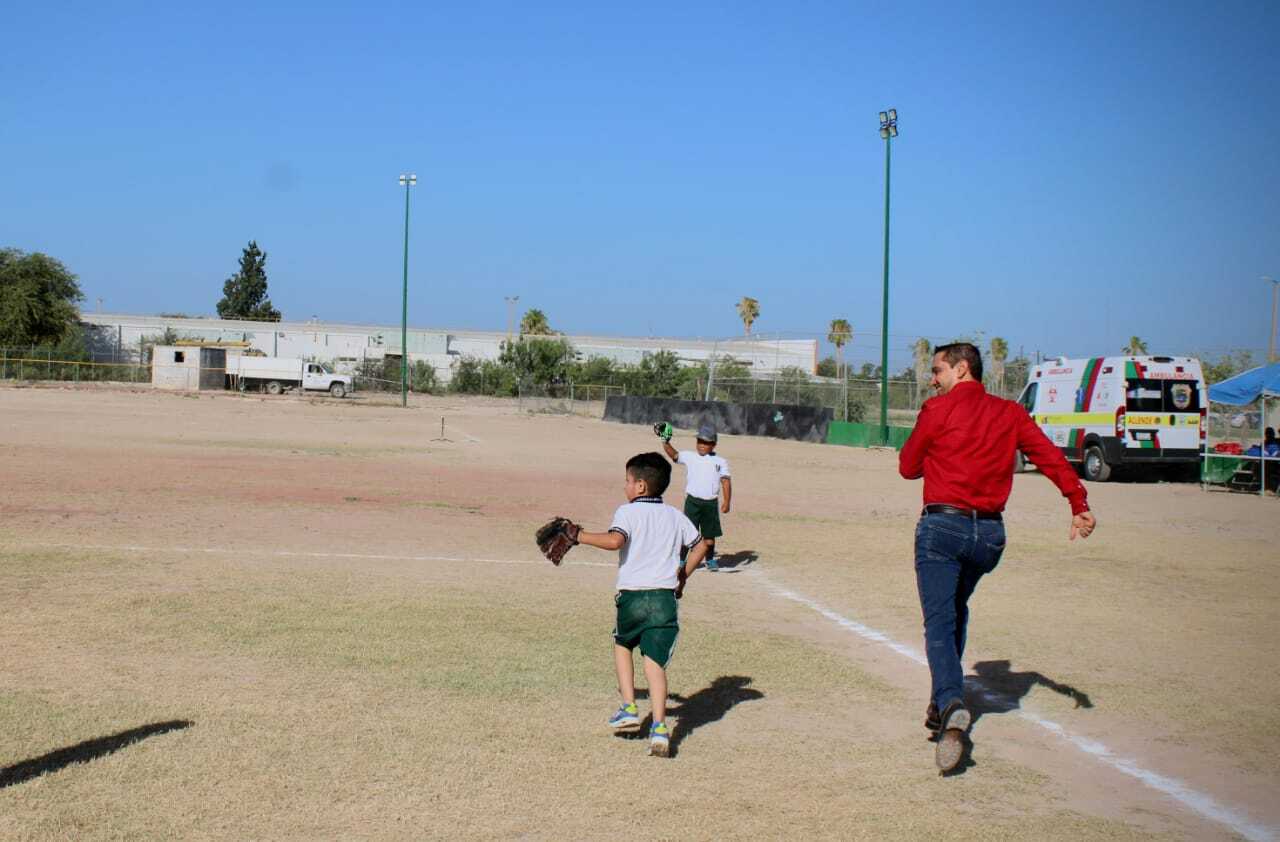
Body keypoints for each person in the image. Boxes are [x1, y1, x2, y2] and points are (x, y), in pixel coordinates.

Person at [898, 342, 1097, 772]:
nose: (933, 379)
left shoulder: (939, 410)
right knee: (955, 610)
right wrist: (1078, 503)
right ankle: (941, 705)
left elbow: (908, 466)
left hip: (943, 526)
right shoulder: (1010, 413)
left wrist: (931, 436)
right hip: (989, 534)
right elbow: (1047, 456)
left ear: (962, 368)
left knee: (939, 620)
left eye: (938, 371)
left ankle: (950, 702)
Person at [573, 452, 709, 757]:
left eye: (628, 481)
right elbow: (702, 545)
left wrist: (579, 536)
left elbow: (614, 541)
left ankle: (629, 707)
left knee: (623, 644)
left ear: (641, 487)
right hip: (664, 599)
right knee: (654, 662)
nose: (625, 486)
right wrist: (682, 577)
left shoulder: (627, 512)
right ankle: (660, 729)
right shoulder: (675, 515)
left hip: (633, 596)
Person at [660, 423, 732, 571]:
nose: (701, 445)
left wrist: (727, 502)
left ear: (713, 445)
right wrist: (665, 441)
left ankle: (710, 559)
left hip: (710, 503)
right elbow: (674, 455)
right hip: (692, 502)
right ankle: (681, 560)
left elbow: (725, 481)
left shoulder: (720, 461)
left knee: (709, 537)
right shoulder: (689, 456)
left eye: (706, 443)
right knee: (687, 533)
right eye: (699, 441)